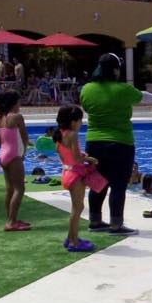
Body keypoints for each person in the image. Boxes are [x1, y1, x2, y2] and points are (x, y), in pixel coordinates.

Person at [79, 53, 142, 235]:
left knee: (97, 183)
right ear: (115, 70)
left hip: (94, 143)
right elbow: (139, 97)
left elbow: (86, 107)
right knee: (118, 185)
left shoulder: (87, 89)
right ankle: (116, 225)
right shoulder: (124, 89)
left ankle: (95, 221)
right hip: (121, 143)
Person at [55, 106, 106, 252]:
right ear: (73, 122)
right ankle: (74, 242)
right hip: (75, 175)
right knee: (77, 209)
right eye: (80, 120)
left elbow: (64, 156)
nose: (81, 123)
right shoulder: (72, 135)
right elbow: (77, 158)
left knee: (77, 207)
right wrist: (90, 159)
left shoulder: (60, 134)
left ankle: (70, 237)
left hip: (67, 172)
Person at [0, 91, 31, 231]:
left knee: (10, 188)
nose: (19, 104)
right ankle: (11, 222)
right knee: (19, 189)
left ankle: (11, 219)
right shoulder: (17, 117)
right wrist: (23, 152)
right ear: (13, 103)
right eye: (18, 102)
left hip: (2, 154)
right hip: (13, 155)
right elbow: (25, 137)